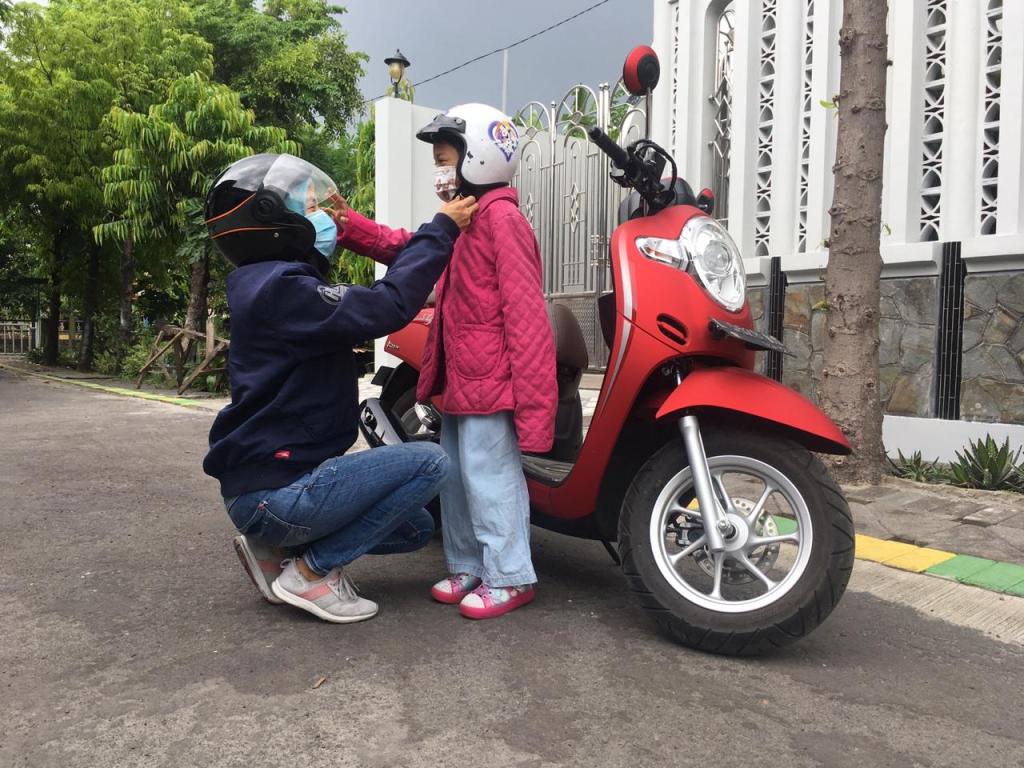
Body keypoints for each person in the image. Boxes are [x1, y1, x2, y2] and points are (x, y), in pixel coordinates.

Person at [202, 152, 477, 624]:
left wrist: (431, 278)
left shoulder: (273, 286)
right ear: (269, 219)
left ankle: (274, 553)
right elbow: (384, 306)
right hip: (276, 492)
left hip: (272, 488)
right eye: (308, 209)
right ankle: (311, 574)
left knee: (414, 527)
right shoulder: (282, 290)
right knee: (430, 461)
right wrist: (442, 229)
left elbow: (373, 300)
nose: (322, 220)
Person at [333, 104, 557, 619]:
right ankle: (468, 565)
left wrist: (534, 409)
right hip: (460, 378)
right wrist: (351, 226)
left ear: (478, 159)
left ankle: (509, 574)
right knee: (455, 476)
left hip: (491, 381)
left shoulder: (503, 220)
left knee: (489, 474)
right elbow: (409, 247)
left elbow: (527, 319)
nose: (440, 172)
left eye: (445, 160)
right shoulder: (463, 219)